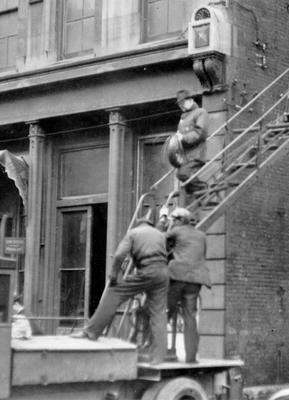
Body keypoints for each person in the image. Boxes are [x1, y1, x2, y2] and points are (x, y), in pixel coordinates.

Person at [71, 217, 169, 365]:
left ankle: (91, 332)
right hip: (163, 273)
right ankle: (158, 357)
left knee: (114, 293)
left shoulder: (133, 233)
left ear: (138, 224)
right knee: (158, 313)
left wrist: (114, 274)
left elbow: (119, 255)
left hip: (146, 270)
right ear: (149, 224)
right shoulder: (159, 234)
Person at [166, 207, 211, 363]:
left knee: (164, 311)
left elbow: (160, 239)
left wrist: (164, 221)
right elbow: (201, 255)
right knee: (190, 317)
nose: (172, 222)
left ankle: (155, 351)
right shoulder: (201, 235)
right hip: (196, 279)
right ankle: (191, 358)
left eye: (173, 220)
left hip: (178, 276)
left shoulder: (176, 231)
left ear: (179, 220)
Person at [169, 89, 209, 198]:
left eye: (182, 103)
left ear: (190, 100)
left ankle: (203, 190)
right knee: (181, 175)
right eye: (179, 104)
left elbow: (200, 133)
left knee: (183, 173)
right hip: (185, 156)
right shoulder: (183, 118)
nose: (181, 106)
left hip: (196, 154)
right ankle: (198, 195)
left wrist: (183, 138)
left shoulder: (201, 112)